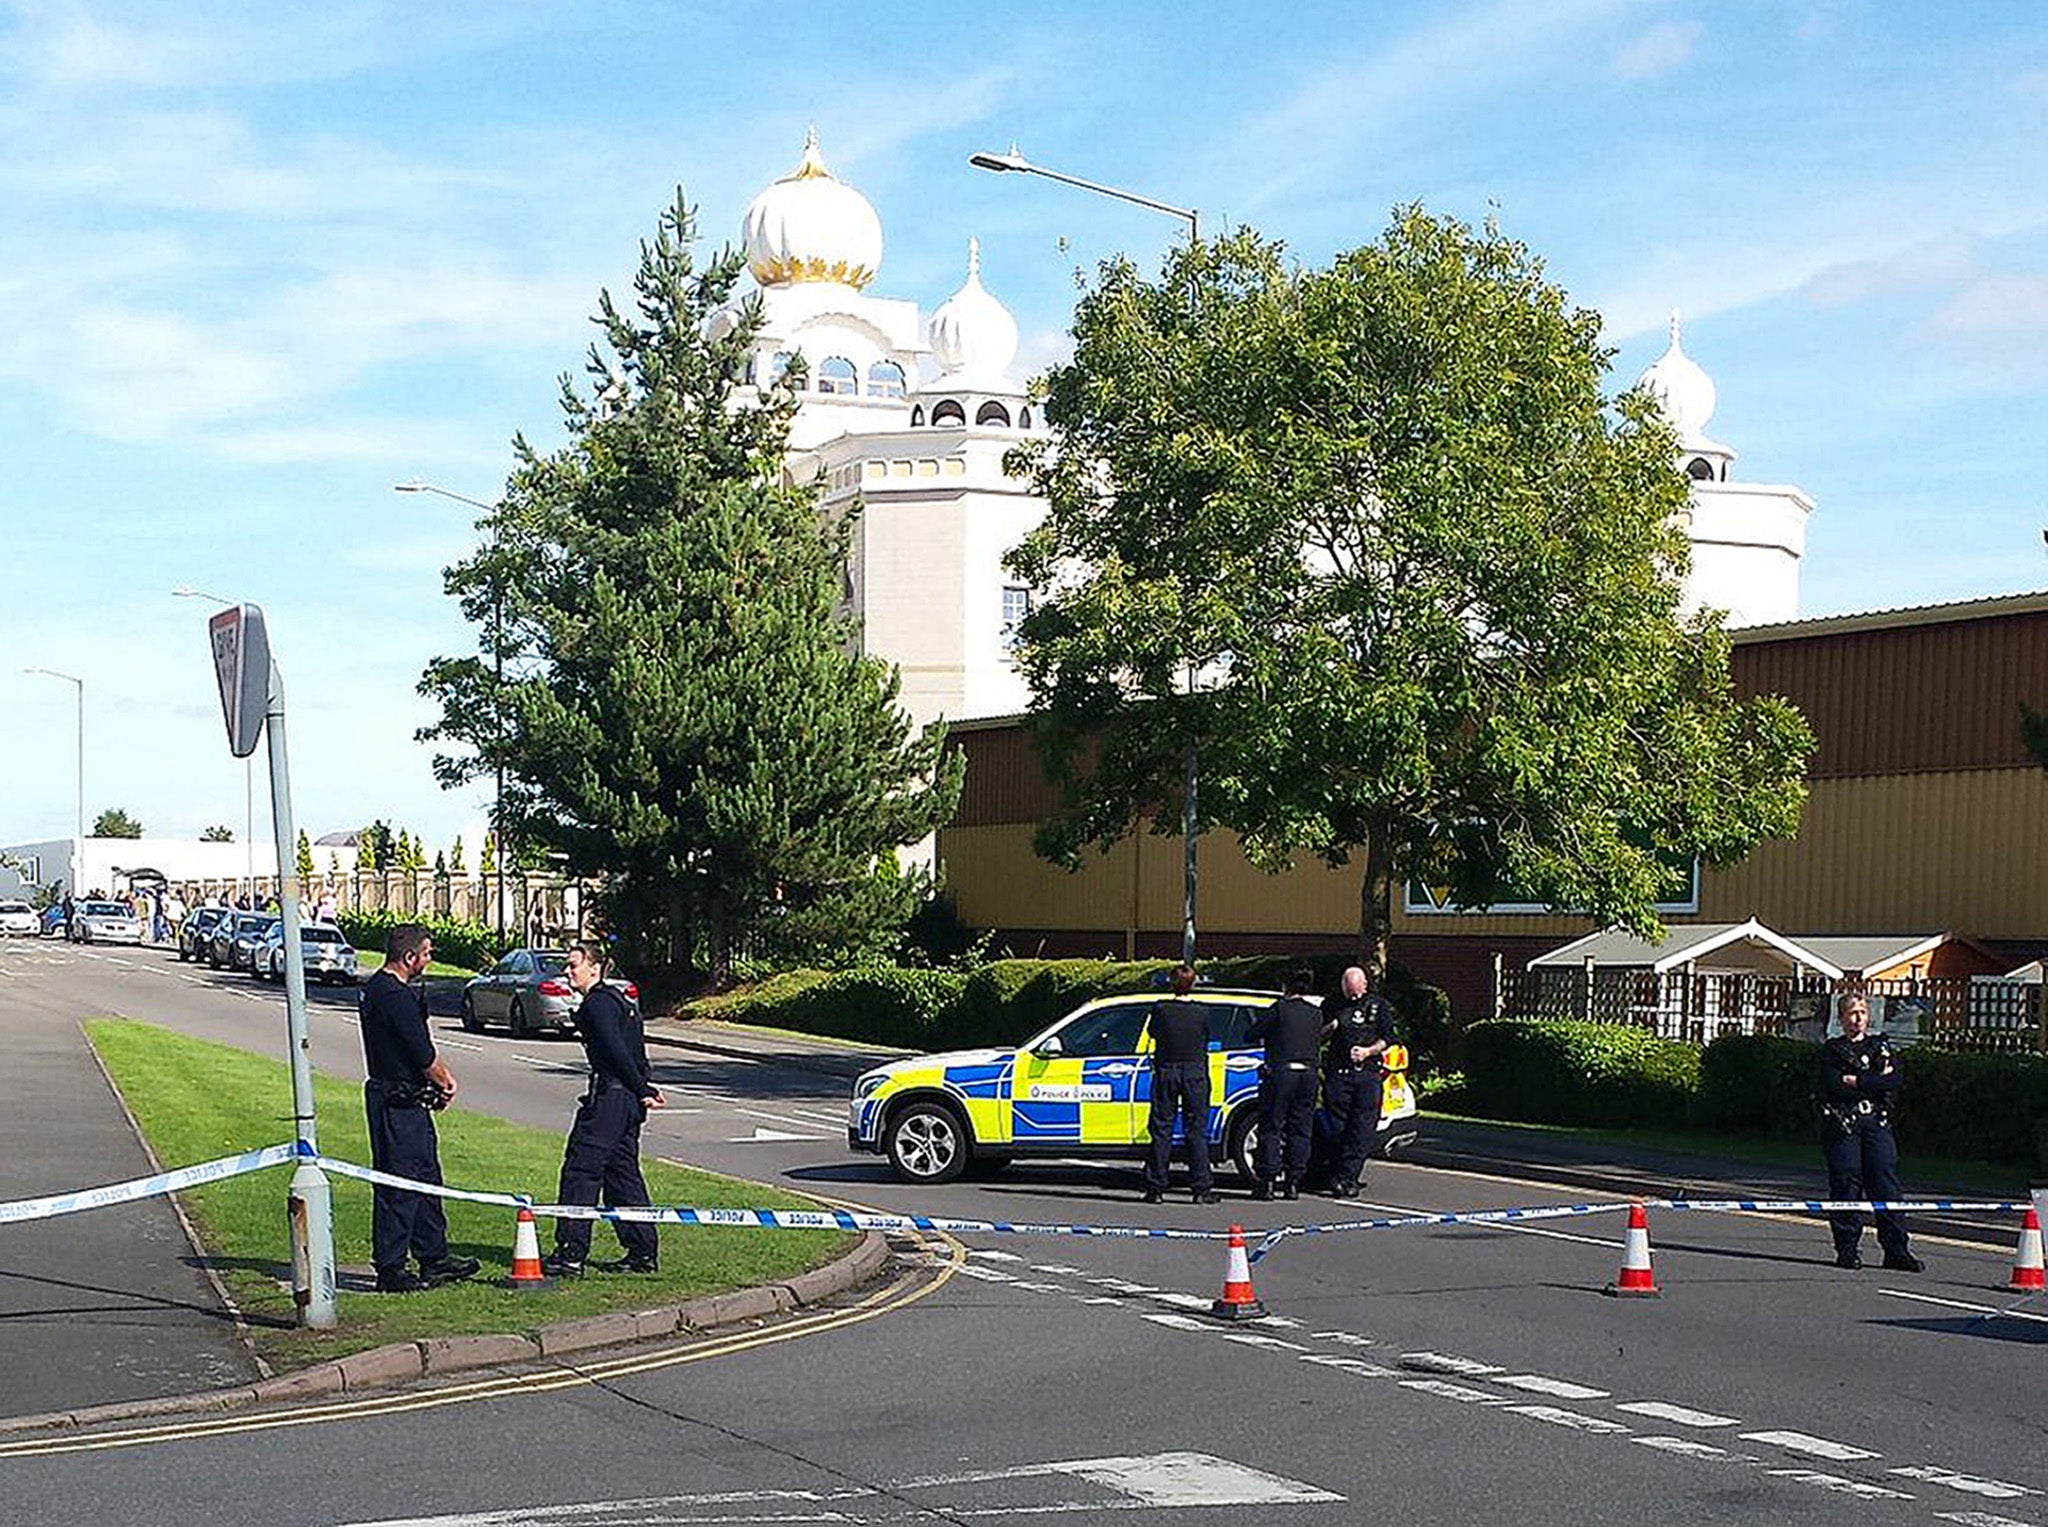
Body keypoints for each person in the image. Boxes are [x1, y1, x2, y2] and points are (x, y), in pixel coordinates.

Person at [358, 924, 480, 1293]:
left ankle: (434, 1255)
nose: (429, 960)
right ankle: (392, 1268)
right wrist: (445, 1082)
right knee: (401, 1182)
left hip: (403, 1099)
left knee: (427, 1177)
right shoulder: (394, 996)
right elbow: (421, 1051)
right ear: (409, 957)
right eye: (426, 953)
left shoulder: (377, 989)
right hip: (398, 1103)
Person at [543, 942, 665, 1276]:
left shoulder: (598, 1004)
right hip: (625, 1101)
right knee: (622, 1174)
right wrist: (642, 1089)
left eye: (573, 966)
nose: (568, 972)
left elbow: (615, 1051)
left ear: (595, 969)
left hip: (611, 1097)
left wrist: (642, 1089)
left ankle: (570, 1253)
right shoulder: (618, 1000)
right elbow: (636, 1052)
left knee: (581, 1170)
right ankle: (642, 1251)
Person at [1816, 992, 1924, 1272]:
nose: (1857, 1019)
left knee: (1885, 1183)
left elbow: (1892, 1080)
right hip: (1844, 1124)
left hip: (1876, 1122)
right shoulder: (1833, 1050)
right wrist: (1868, 1083)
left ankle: (1896, 1250)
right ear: (1841, 1019)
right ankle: (1847, 1249)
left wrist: (1860, 1080)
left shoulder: (1880, 1047)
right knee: (1846, 1183)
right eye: (1851, 1014)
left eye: (1862, 1013)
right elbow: (1833, 1085)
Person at [1141, 964, 1220, 1204]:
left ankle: (1156, 1188)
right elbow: (1207, 1036)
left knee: (1162, 1128)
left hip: (1167, 1070)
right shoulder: (1202, 1011)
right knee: (1196, 1129)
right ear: (1194, 984)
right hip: (1195, 1071)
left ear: (1170, 983)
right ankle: (1200, 1188)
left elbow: (1153, 1032)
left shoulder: (1161, 1009)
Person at [1247, 967, 1325, 1200]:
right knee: (1300, 1129)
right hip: (1309, 1075)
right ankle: (1293, 1183)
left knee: (1272, 1127)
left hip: (1282, 1075)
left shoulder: (1279, 1010)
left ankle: (1268, 1182)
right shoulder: (1315, 1014)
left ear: (1285, 987)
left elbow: (1251, 1034)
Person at [1322, 965, 1398, 1198]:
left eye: (1357, 992)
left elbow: (1389, 1038)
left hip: (1367, 1075)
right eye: (1349, 992)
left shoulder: (1378, 1005)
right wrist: (1331, 1027)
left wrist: (1368, 1051)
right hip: (1339, 1074)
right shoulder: (1332, 1004)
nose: (1353, 997)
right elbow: (1317, 1035)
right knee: (1337, 1128)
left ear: (1364, 985)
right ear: (1342, 986)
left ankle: (1349, 1177)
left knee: (1362, 1129)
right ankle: (1336, 1173)